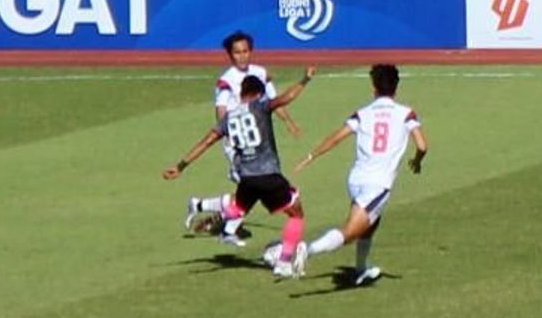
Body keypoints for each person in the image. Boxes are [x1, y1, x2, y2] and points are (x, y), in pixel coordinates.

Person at [280, 65, 427, 286]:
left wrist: (311, 156)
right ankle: (307, 250)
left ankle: (361, 269)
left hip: (356, 180)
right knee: (349, 232)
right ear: (396, 89)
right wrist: (416, 161)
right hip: (378, 185)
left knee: (372, 223)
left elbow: (336, 138)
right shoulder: (406, 113)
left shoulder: (363, 113)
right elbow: (423, 146)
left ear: (374, 89)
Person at [165, 67, 316, 279]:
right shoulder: (261, 107)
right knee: (296, 213)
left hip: (247, 177)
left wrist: (180, 166)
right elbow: (287, 97)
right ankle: (283, 261)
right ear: (258, 93)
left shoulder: (228, 118)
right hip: (269, 174)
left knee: (239, 207)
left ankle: (202, 209)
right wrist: (305, 79)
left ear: (241, 93)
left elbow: (206, 142)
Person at [182, 31, 301, 238]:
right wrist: (228, 140)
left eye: (245, 51)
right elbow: (221, 110)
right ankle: (224, 225)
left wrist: (288, 122)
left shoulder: (260, 73)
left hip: (258, 139)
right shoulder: (227, 80)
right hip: (238, 143)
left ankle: (207, 211)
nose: (242, 56)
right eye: (237, 53)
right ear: (230, 55)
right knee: (252, 185)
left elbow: (273, 101)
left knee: (250, 189)